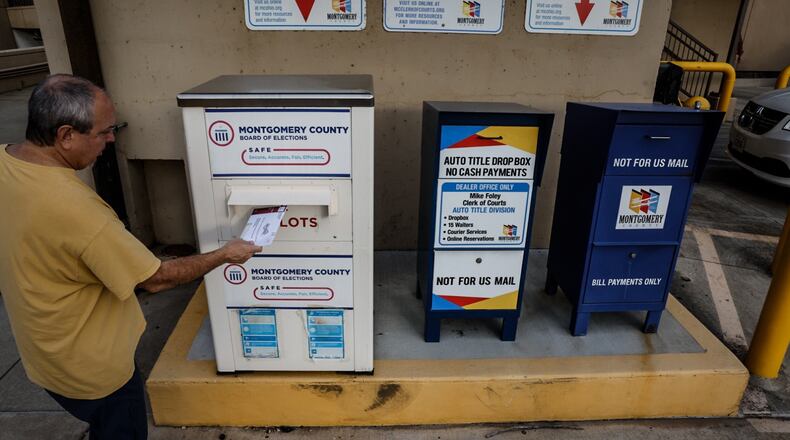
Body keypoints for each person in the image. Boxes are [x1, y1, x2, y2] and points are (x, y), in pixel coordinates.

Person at [0, 74, 261, 439]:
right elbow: (156, 278)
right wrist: (225, 254)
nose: (111, 139)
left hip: (44, 354)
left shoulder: (7, 159)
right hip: (94, 371)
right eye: (104, 132)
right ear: (65, 135)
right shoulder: (78, 211)